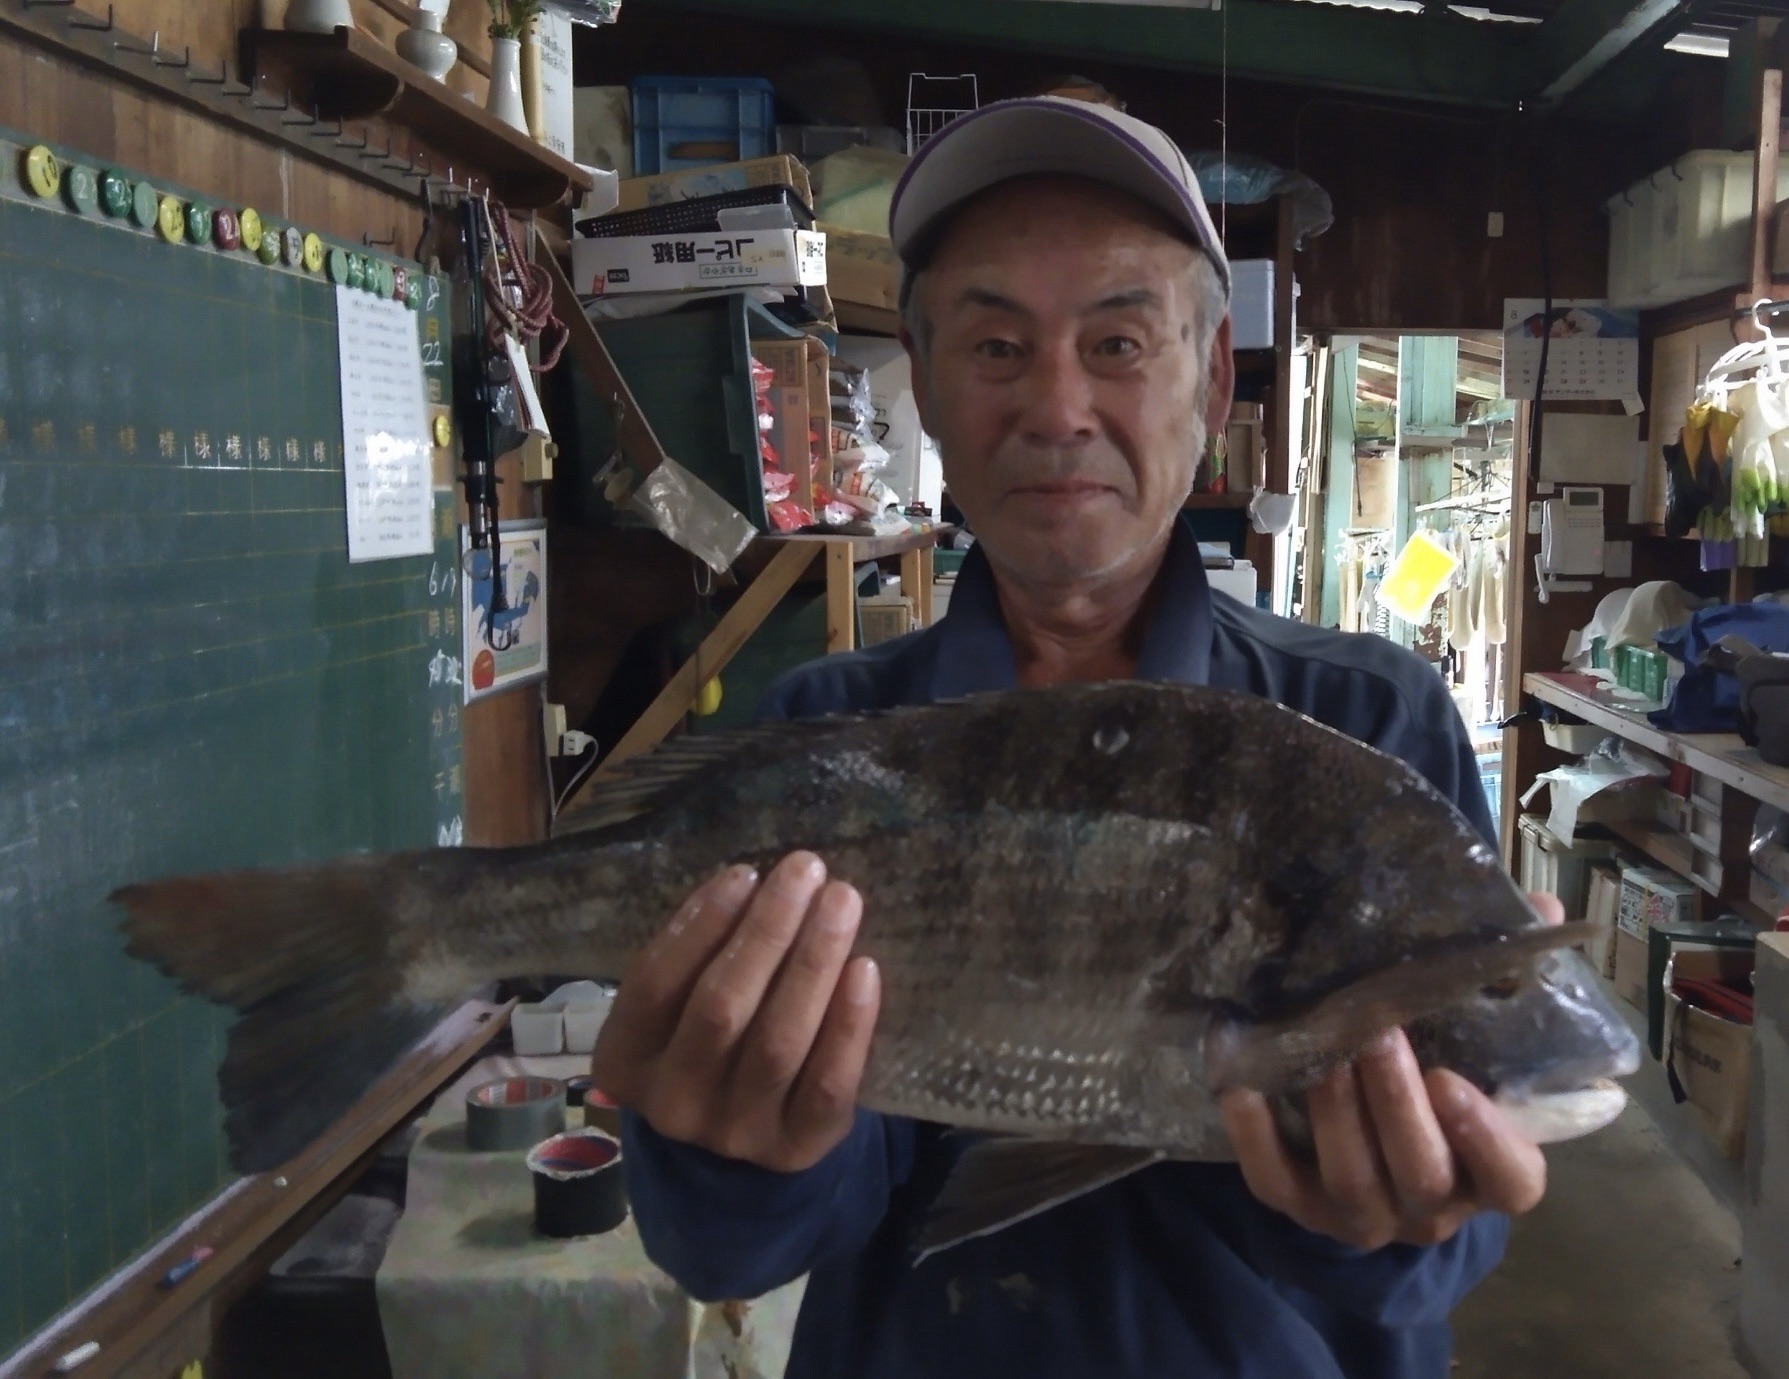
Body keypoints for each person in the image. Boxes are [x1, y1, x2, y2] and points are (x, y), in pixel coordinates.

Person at [592, 97, 1555, 1379]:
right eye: (995, 346)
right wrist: (728, 1148)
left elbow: (1441, 1252)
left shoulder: (1371, 727)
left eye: (1117, 340)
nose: (1056, 406)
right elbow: (731, 1251)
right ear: (926, 388)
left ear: (1210, 381)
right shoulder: (823, 737)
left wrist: (1391, 1216)